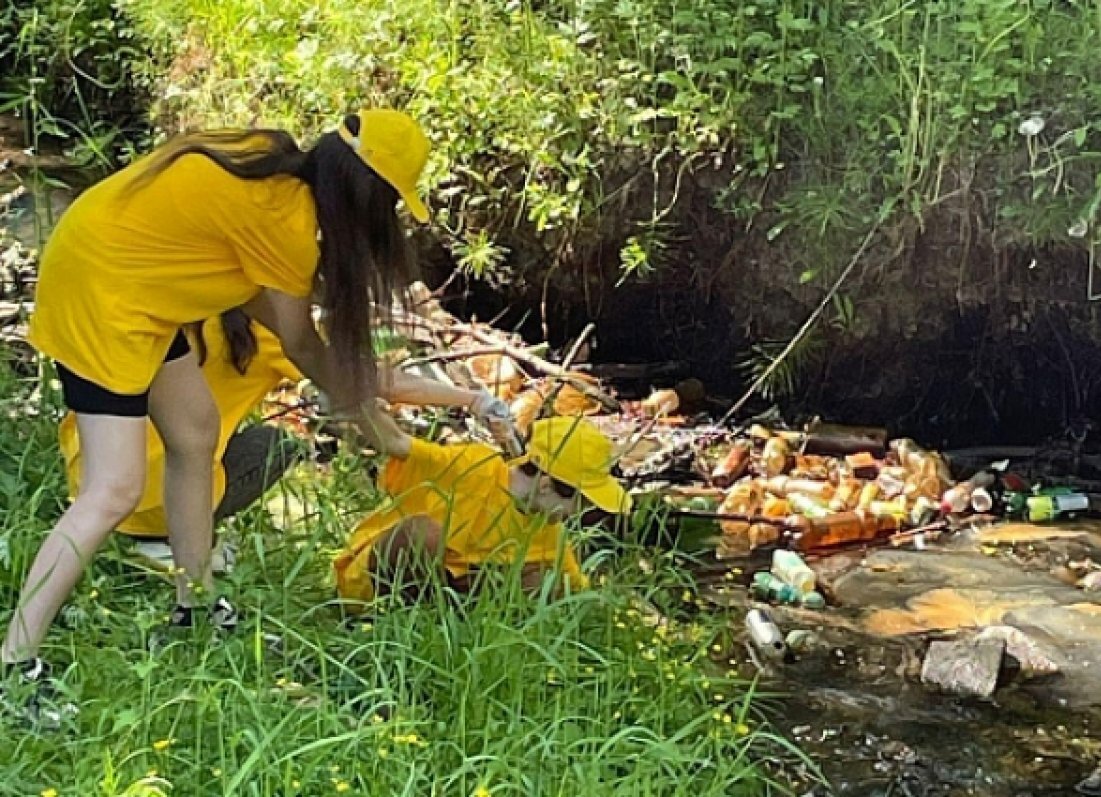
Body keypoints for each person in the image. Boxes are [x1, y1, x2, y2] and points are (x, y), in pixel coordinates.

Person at [2, 109, 430, 703]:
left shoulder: (264, 156)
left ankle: (195, 608)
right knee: (113, 488)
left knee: (195, 430)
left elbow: (256, 298)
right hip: (104, 297)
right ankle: (14, 664)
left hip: (128, 279)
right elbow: (299, 342)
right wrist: (362, 408)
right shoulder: (287, 220)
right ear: (369, 196)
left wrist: (359, 398)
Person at [58, 310, 510, 572]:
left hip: (93, 478)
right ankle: (167, 537)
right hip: (157, 498)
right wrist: (471, 399)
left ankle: (146, 531)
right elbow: (370, 379)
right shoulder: (268, 333)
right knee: (277, 444)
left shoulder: (183, 306)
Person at [334, 416, 632, 610]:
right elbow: (397, 442)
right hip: (376, 586)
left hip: (452, 599)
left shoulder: (546, 529)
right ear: (545, 484)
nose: (574, 514)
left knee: (546, 582)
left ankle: (451, 636)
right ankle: (393, 624)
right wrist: (357, 396)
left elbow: (577, 593)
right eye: (577, 502)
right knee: (422, 535)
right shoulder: (471, 465)